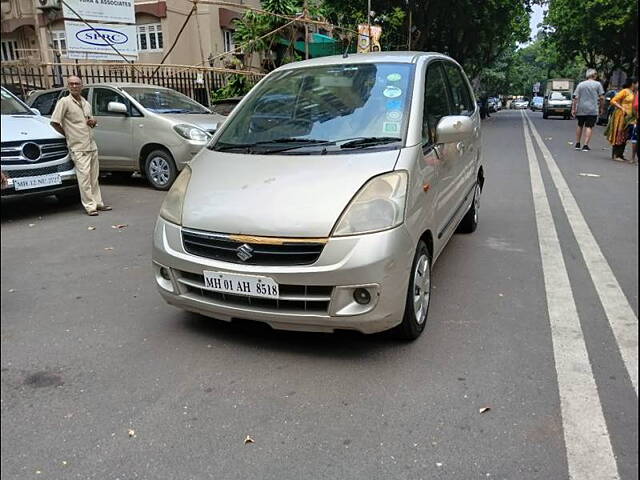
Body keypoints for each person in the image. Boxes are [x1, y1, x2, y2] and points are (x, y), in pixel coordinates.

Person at [50, 75, 111, 216]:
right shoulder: (64, 102)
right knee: (84, 178)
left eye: (77, 84)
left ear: (81, 86)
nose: (74, 86)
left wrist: (93, 122)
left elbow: (89, 121)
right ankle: (90, 206)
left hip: (91, 144)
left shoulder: (85, 102)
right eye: (71, 84)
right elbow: (54, 122)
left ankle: (98, 203)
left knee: (93, 177)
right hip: (78, 146)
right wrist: (68, 134)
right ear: (68, 86)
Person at [571, 68, 604, 151]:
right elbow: (602, 97)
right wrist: (601, 108)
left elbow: (575, 97)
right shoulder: (598, 84)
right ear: (594, 75)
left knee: (580, 125)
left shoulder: (581, 85)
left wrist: (574, 109)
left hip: (581, 108)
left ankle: (577, 144)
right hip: (592, 109)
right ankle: (585, 145)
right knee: (589, 126)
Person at [607, 77, 638, 161]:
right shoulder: (624, 91)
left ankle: (620, 154)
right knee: (619, 133)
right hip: (621, 115)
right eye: (637, 83)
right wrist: (621, 108)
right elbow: (613, 100)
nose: (637, 85)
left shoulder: (633, 92)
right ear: (633, 84)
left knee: (626, 135)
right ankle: (616, 155)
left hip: (629, 117)